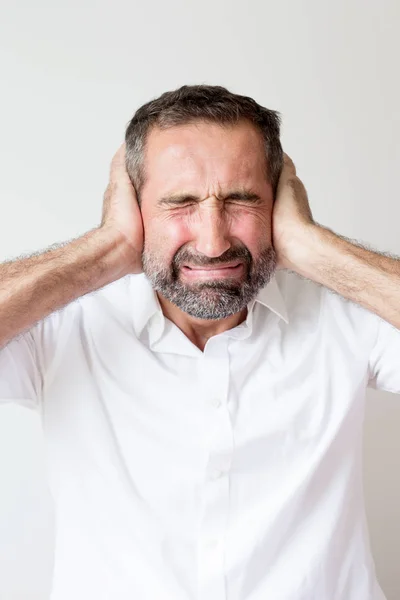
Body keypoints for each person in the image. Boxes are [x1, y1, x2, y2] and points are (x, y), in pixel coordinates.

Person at [0, 84, 399, 600]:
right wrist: (109, 247)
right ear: (134, 203)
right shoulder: (60, 319)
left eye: (241, 200)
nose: (212, 242)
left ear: (279, 202)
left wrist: (312, 246)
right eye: (179, 203)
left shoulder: (347, 309)